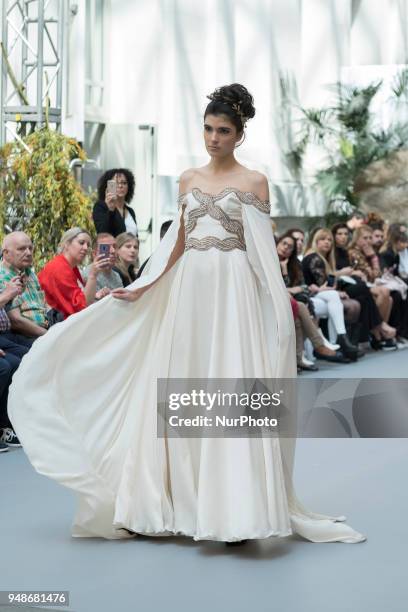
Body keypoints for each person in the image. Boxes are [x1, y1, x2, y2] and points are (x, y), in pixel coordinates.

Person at [8, 83, 365, 545]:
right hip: (190, 292)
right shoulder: (188, 179)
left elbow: (260, 252)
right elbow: (176, 243)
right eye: (208, 129)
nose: (213, 138)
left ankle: (237, 508)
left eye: (223, 131)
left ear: (239, 135)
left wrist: (278, 309)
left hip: (234, 292)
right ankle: (178, 502)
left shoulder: (255, 182)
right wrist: (144, 287)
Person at [301, 229, 361, 359]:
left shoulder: (322, 258)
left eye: (329, 240)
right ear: (315, 241)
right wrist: (336, 284)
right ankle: (341, 339)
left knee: (334, 301)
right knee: (334, 297)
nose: (327, 242)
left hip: (318, 296)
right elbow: (321, 284)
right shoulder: (314, 257)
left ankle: (338, 343)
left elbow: (325, 285)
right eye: (323, 239)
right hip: (309, 295)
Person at [38, 228, 110, 319]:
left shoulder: (71, 267)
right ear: (67, 244)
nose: (86, 248)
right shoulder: (59, 267)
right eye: (81, 243)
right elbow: (80, 307)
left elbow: (80, 299)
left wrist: (95, 295)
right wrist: (93, 275)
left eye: (88, 245)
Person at [348, 226, 397, 348]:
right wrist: (372, 257)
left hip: (370, 284)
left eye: (370, 238)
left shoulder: (368, 252)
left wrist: (372, 257)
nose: (368, 241)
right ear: (357, 239)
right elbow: (371, 274)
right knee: (384, 291)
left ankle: (378, 333)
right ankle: (378, 331)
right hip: (358, 285)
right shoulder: (353, 252)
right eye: (365, 238)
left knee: (389, 299)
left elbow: (376, 275)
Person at [0, 232, 48, 340]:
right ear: (6, 253)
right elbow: (16, 322)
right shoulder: (2, 275)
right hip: (24, 336)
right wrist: (49, 335)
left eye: (30, 248)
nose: (28, 253)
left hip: (43, 331)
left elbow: (43, 307)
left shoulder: (30, 273)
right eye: (21, 249)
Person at [92, 169, 138, 238]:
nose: (120, 186)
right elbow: (102, 233)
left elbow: (136, 238)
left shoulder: (130, 211)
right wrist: (110, 210)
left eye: (124, 183)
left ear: (129, 187)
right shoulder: (101, 207)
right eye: (116, 183)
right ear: (107, 186)